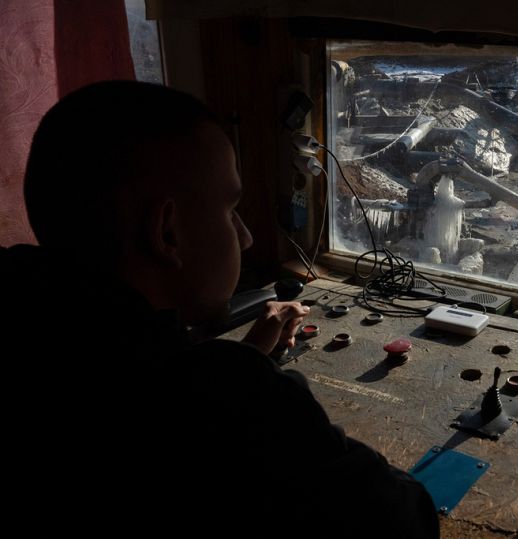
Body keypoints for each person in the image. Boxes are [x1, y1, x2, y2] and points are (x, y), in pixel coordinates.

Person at [1, 80, 438, 537]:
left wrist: (243, 358)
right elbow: (405, 520)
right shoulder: (224, 400)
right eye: (230, 210)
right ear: (167, 234)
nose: (246, 236)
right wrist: (248, 383)